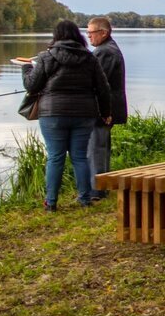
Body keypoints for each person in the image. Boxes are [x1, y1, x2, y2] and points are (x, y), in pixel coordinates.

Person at [22, 20, 111, 211]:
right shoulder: (89, 58)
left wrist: (26, 68)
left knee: (55, 157)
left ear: (56, 36)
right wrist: (106, 113)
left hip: (53, 114)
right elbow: (103, 89)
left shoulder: (46, 57)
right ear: (77, 36)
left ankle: (51, 202)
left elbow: (31, 85)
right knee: (80, 157)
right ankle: (85, 198)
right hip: (84, 114)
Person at [86, 16, 127, 201]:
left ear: (104, 32)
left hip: (104, 108)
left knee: (96, 148)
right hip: (107, 107)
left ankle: (97, 190)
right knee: (100, 147)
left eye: (92, 33)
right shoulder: (107, 49)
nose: (89, 37)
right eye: (87, 33)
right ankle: (101, 186)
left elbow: (97, 82)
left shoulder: (105, 52)